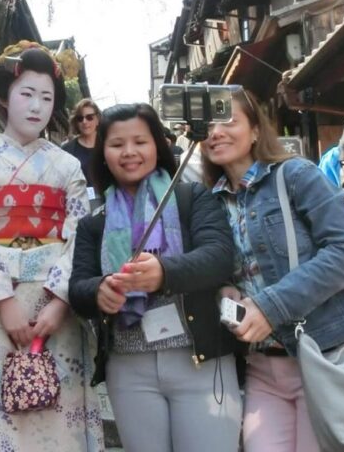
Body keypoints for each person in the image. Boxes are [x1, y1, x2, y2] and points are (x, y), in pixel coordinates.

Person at [0, 41, 104, 452]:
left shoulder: (68, 165)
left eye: (46, 97)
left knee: (60, 412)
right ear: (4, 97)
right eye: (26, 94)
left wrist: (59, 300)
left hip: (54, 303)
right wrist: (3, 301)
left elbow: (80, 233)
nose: (36, 106)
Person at [68, 103, 241, 452]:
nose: (129, 152)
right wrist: (99, 291)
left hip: (201, 363)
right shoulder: (94, 222)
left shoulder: (192, 198)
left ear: (157, 146)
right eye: (117, 144)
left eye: (140, 142)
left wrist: (164, 273)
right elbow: (78, 287)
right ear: (103, 152)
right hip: (129, 369)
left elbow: (220, 256)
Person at [202, 87, 344, 452]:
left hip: (319, 357)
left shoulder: (296, 175)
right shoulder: (207, 202)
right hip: (261, 368)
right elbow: (221, 270)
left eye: (229, 120)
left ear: (255, 130)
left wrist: (271, 306)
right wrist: (224, 291)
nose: (215, 131)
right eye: (206, 126)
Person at [62, 98, 102, 206]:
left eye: (89, 117)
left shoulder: (108, 145)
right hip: (79, 203)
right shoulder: (67, 150)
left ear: (97, 119)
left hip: (109, 202)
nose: (85, 122)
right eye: (80, 118)